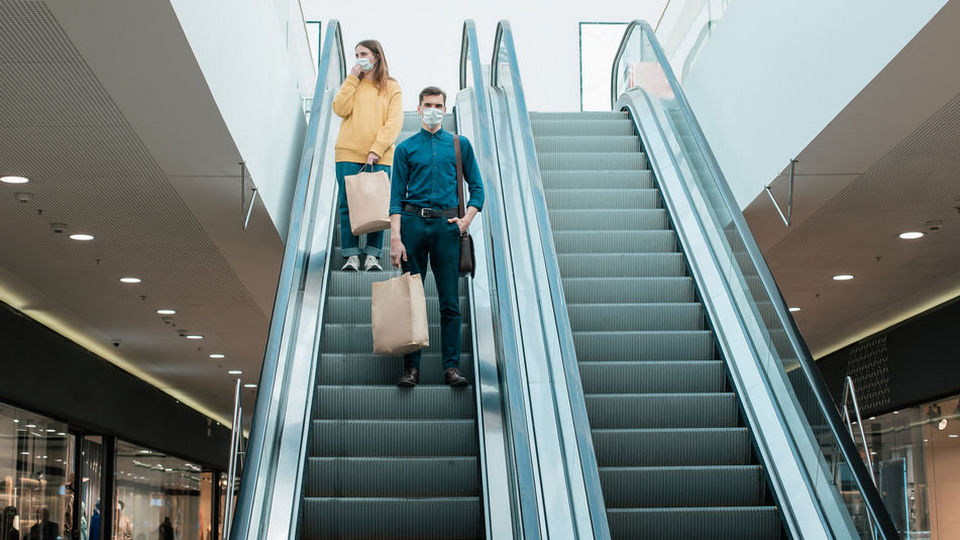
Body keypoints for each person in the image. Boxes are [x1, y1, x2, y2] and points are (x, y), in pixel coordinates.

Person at [390, 86, 484, 387]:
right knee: (411, 300)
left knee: (449, 303)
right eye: (428, 105)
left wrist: (465, 220)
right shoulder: (405, 149)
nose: (433, 109)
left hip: (447, 228)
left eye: (439, 105)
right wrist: (395, 238)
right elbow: (395, 199)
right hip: (413, 226)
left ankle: (451, 368)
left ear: (445, 109)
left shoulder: (460, 145)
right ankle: (412, 369)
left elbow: (478, 188)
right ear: (418, 109)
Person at [331, 39, 403, 272]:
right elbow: (340, 109)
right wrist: (351, 78)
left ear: (376, 56)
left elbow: (394, 122)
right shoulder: (353, 83)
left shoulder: (391, 87)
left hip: (380, 156)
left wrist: (377, 148)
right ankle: (351, 255)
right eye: (356, 54)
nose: (359, 58)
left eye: (363, 53)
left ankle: (372, 255)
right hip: (348, 151)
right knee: (347, 204)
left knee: (378, 204)